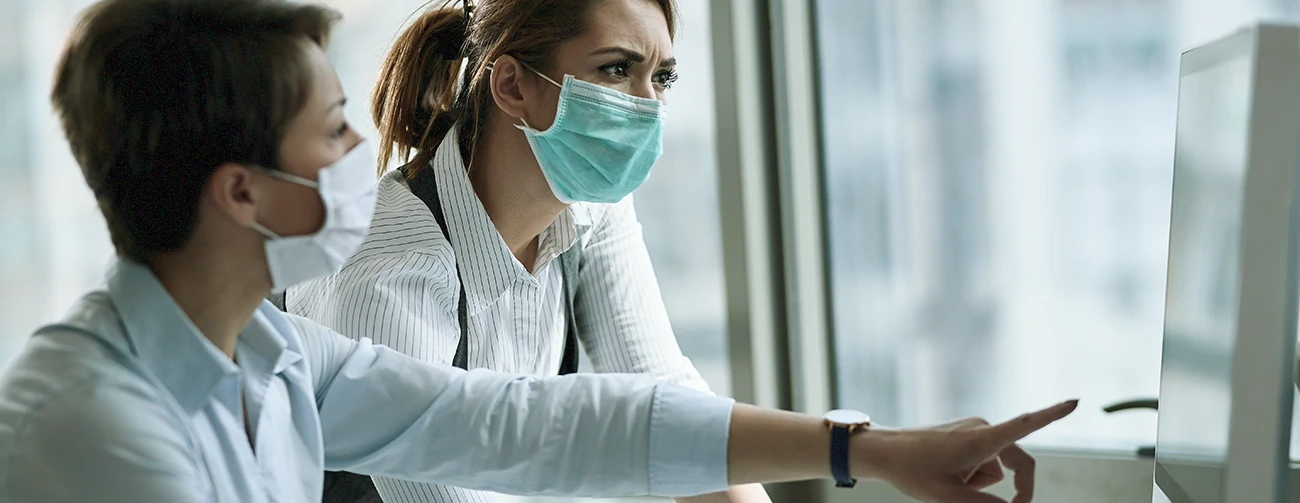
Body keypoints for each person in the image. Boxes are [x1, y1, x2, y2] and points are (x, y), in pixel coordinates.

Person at [0, 0, 1077, 502]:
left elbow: (538, 423)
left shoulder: (274, 357)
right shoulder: (97, 429)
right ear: (242, 192)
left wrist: (874, 451)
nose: (363, 156)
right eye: (332, 134)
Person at [286, 0, 760, 500]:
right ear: (513, 85)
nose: (648, 106)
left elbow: (669, 405)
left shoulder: (589, 204)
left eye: (662, 78)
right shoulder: (391, 277)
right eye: (617, 69)